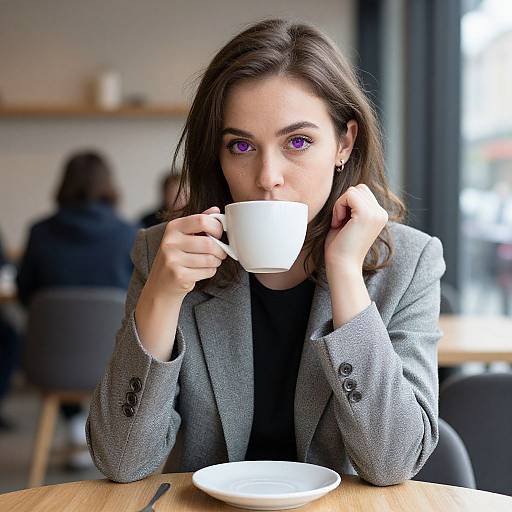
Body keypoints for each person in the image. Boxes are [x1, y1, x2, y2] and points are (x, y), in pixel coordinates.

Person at [87, 19, 446, 486]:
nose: (267, 176)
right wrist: (160, 295)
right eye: (241, 145)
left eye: (298, 142)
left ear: (344, 143)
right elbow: (121, 460)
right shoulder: (165, 256)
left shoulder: (409, 264)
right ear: (218, 156)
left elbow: (393, 462)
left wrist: (345, 274)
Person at [17, 151, 138, 467]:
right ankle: (96, 426)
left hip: (51, 363)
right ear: (109, 185)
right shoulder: (129, 234)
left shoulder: (39, 232)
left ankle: (73, 422)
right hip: (115, 360)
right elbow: (140, 299)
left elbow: (24, 293)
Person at [0, 231, 22, 432]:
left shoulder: (41, 231)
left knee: (9, 335)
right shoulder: (124, 234)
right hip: (111, 356)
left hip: (50, 362)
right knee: (10, 336)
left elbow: (25, 287)